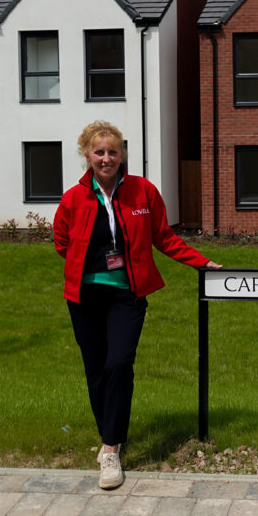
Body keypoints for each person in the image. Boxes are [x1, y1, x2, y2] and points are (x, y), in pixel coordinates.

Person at [54, 121, 221, 490]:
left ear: (122, 154)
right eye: (99, 152)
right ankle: (109, 435)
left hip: (127, 295)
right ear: (87, 155)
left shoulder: (143, 192)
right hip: (84, 297)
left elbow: (163, 236)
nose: (106, 158)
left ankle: (111, 450)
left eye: (113, 151)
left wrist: (201, 262)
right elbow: (61, 240)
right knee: (96, 370)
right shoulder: (73, 198)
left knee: (119, 363)